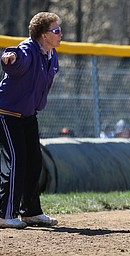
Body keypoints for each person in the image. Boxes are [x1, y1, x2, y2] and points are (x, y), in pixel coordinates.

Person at [0, 12, 62, 228]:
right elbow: (15, 58)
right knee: (18, 160)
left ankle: (30, 211)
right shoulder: (28, 49)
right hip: (7, 113)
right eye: (56, 31)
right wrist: (10, 57)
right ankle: (5, 213)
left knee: (34, 161)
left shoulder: (51, 54)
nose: (60, 34)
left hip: (27, 115)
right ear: (44, 35)